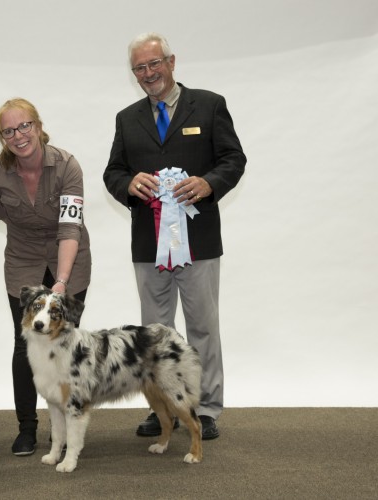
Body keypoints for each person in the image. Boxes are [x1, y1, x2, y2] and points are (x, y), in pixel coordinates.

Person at [103, 33, 246, 440]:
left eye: (154, 64)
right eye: (140, 68)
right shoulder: (126, 118)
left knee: (203, 326)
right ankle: (162, 409)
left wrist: (209, 184)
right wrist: (129, 184)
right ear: (134, 74)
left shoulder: (211, 104)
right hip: (149, 246)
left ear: (172, 61)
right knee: (154, 332)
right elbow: (112, 173)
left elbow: (234, 159)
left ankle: (206, 408)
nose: (149, 74)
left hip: (197, 241)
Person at [0, 98, 92, 456]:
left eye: (24, 126)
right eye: (8, 131)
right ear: (2, 137)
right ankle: (26, 428)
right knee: (25, 344)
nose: (18, 135)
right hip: (23, 259)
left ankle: (62, 429)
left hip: (69, 256)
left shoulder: (66, 166)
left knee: (64, 344)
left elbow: (70, 228)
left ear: (39, 126)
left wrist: (61, 282)